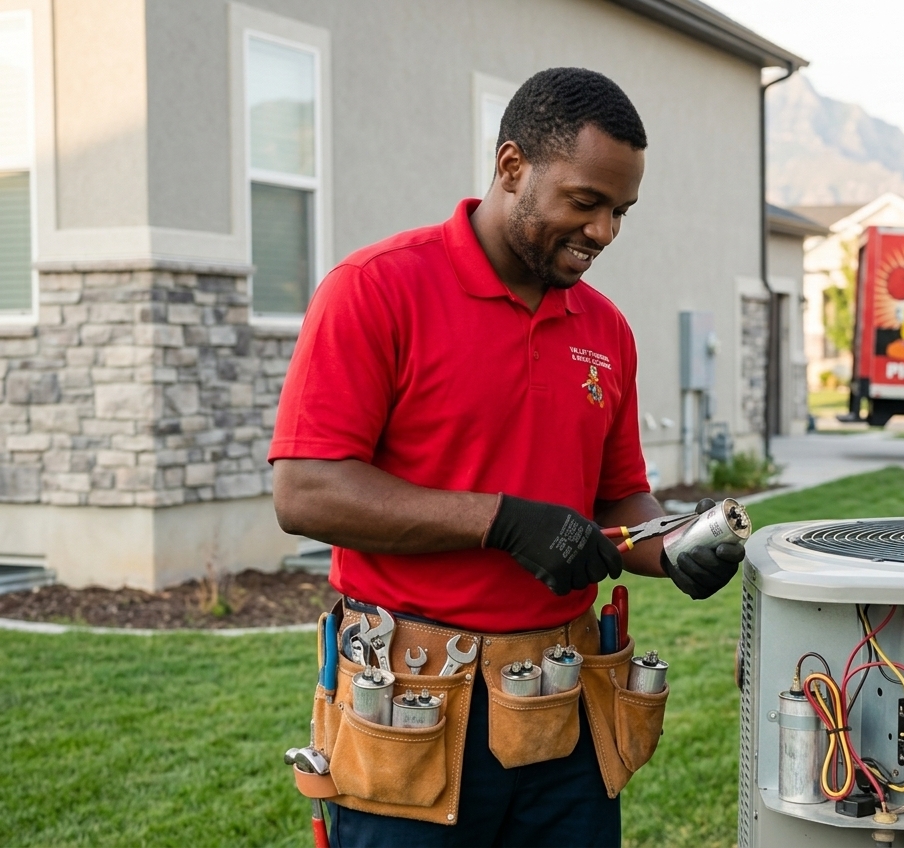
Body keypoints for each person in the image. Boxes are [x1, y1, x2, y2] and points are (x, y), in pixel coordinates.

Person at [269, 67, 745, 848]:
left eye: (620, 212)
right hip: (414, 707)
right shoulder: (376, 290)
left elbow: (622, 496)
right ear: (512, 167)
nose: (603, 232)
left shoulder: (606, 329)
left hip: (565, 706)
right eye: (585, 202)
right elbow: (307, 493)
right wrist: (500, 522)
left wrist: (673, 549)